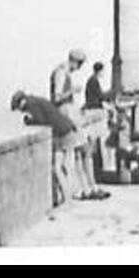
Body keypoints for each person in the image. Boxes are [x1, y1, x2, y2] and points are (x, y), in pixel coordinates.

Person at [49, 48, 109, 201]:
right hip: (65, 115)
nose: (80, 68)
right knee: (82, 152)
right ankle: (86, 189)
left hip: (68, 114)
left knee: (81, 152)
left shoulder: (63, 72)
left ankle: (88, 188)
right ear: (74, 61)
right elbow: (57, 98)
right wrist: (72, 91)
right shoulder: (61, 72)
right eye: (80, 64)